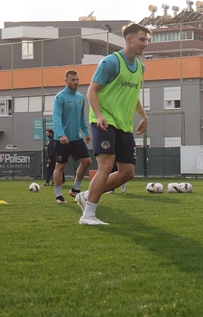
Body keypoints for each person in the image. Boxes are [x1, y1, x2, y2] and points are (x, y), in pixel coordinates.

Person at [77, 23, 150, 225]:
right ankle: (88, 215)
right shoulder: (110, 62)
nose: (145, 44)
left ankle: (87, 195)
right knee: (107, 166)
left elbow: (133, 95)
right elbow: (92, 90)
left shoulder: (140, 67)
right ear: (129, 39)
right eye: (142, 39)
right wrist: (99, 116)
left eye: (146, 40)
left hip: (124, 126)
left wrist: (144, 116)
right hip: (104, 122)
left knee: (127, 172)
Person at [52, 69, 92, 204]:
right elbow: (56, 117)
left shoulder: (80, 97)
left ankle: (75, 189)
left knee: (87, 162)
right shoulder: (60, 97)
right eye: (73, 80)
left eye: (77, 80)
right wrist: (61, 134)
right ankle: (58, 195)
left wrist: (85, 132)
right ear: (66, 81)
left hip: (76, 138)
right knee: (60, 167)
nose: (76, 82)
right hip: (62, 139)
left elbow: (81, 118)